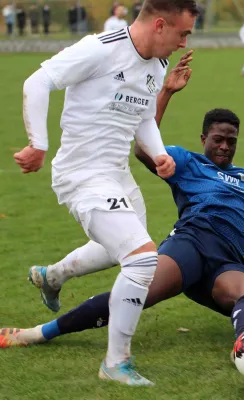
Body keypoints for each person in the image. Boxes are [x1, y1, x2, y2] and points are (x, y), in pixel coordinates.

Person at [1, 103, 244, 373]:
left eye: (231, 141)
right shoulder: (186, 162)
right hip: (187, 248)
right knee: (132, 294)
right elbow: (144, 148)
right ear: (204, 138)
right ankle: (36, 334)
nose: (224, 146)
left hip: (225, 264)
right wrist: (167, 93)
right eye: (218, 139)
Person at [13, 0, 199, 387]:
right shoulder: (100, 47)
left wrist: (160, 153)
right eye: (183, 33)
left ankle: (52, 276)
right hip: (82, 176)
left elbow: (143, 117)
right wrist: (38, 144)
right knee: (143, 259)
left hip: (117, 176)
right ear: (161, 25)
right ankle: (116, 363)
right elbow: (38, 81)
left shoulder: (158, 64)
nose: (185, 42)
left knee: (128, 247)